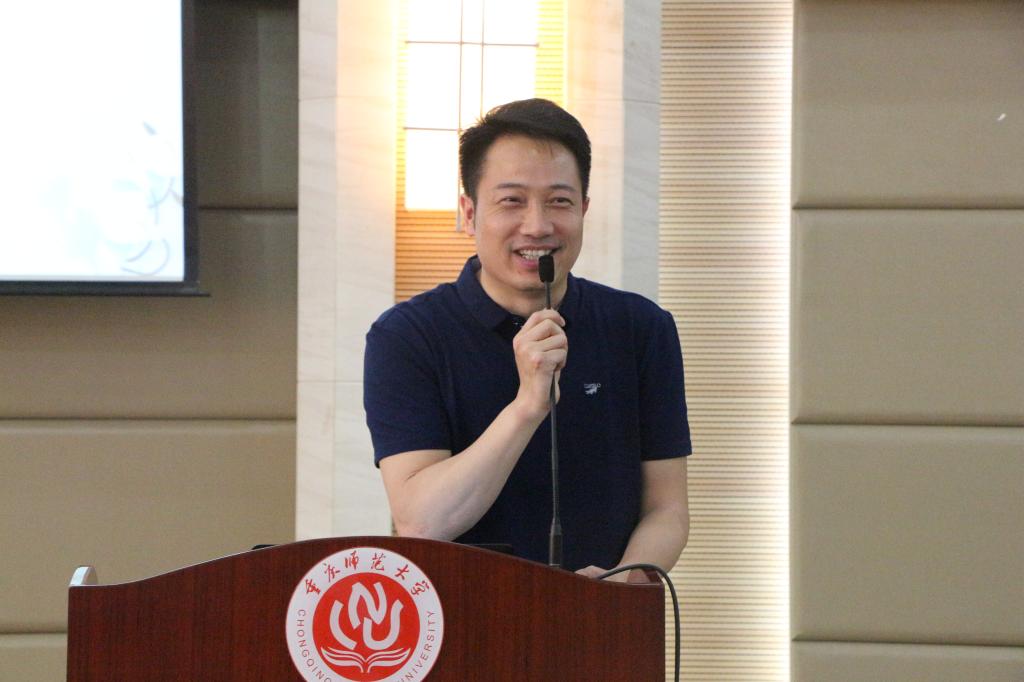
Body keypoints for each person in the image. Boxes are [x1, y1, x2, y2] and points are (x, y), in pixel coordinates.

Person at [364, 98, 691, 578]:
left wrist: (623, 582)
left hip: (604, 612)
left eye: (559, 201)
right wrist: (527, 406)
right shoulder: (407, 337)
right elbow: (421, 522)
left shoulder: (641, 328)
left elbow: (668, 508)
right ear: (469, 213)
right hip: (460, 615)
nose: (537, 226)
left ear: (584, 209)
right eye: (512, 201)